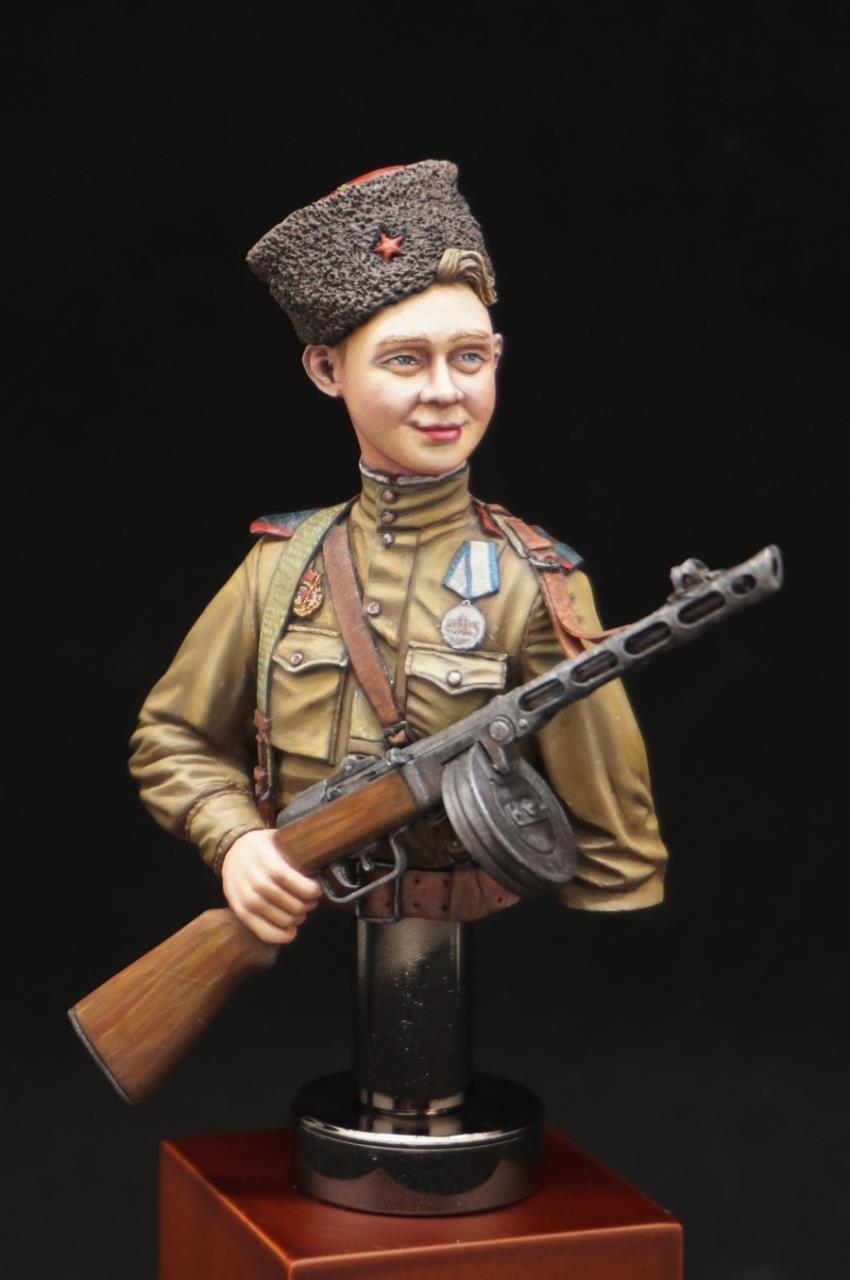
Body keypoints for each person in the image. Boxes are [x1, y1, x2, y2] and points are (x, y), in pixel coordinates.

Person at [129, 160, 667, 947]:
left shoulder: (532, 582)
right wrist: (236, 839)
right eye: (405, 360)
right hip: (325, 921)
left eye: (470, 357)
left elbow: (615, 846)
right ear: (327, 370)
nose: (445, 390)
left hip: (461, 936)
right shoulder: (284, 567)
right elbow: (172, 738)